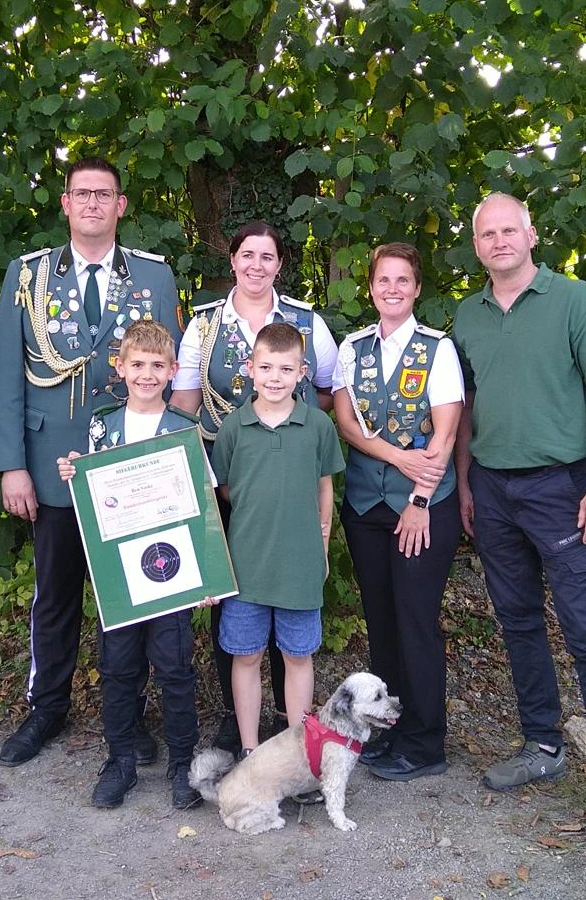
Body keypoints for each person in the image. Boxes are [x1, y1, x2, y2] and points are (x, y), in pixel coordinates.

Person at [452, 193, 586, 847]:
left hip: (561, 488)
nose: (500, 240)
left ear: (531, 234)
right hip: (494, 489)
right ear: (476, 244)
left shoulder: (575, 301)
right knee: (518, 623)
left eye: (510, 229)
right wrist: (465, 483)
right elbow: (466, 405)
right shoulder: (468, 315)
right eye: (488, 233)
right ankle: (543, 743)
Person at [0, 157, 184, 767]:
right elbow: (3, 378)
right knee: (55, 594)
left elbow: (168, 373)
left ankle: (129, 716)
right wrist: (11, 465)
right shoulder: (27, 275)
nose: (93, 204)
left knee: (136, 592)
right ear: (66, 204)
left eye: (105, 194)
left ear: (121, 205)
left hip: (130, 470)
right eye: (82, 194)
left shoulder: (153, 276)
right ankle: (46, 707)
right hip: (52, 463)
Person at [170, 220, 339, 753]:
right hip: (226, 475)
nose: (257, 265)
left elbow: (331, 393)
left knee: (291, 633)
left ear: (280, 264)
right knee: (236, 616)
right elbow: (183, 407)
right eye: (248, 254)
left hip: (290, 476)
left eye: (268, 256)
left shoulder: (307, 324)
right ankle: (239, 727)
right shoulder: (203, 326)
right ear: (233, 259)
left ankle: (290, 738)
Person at [55, 320, 206, 810]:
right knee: (118, 668)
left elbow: (202, 506)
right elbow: (97, 494)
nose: (146, 374)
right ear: (119, 368)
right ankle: (120, 759)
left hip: (171, 570)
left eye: (156, 366)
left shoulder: (185, 429)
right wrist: (75, 474)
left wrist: (207, 574)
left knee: (175, 668)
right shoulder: (102, 422)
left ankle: (183, 763)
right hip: (118, 570)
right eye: (136, 364)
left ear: (172, 371)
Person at [331, 242, 463, 782]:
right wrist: (392, 455)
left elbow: (446, 435)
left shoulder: (438, 349)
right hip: (364, 505)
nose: (392, 289)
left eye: (402, 280)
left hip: (421, 509)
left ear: (416, 289)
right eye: (383, 280)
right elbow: (345, 423)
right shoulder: (352, 346)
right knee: (381, 624)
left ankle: (426, 740)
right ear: (370, 287)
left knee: (415, 622)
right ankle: (388, 730)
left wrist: (418, 502)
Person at [209, 322, 345, 759]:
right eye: (265, 367)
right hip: (246, 565)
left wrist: (321, 543)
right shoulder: (234, 427)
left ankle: (296, 751)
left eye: (285, 369)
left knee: (297, 657)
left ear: (302, 373)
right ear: (250, 368)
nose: (274, 377)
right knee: (245, 656)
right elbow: (226, 488)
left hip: (300, 563)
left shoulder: (318, 425)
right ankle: (250, 751)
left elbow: (324, 486)